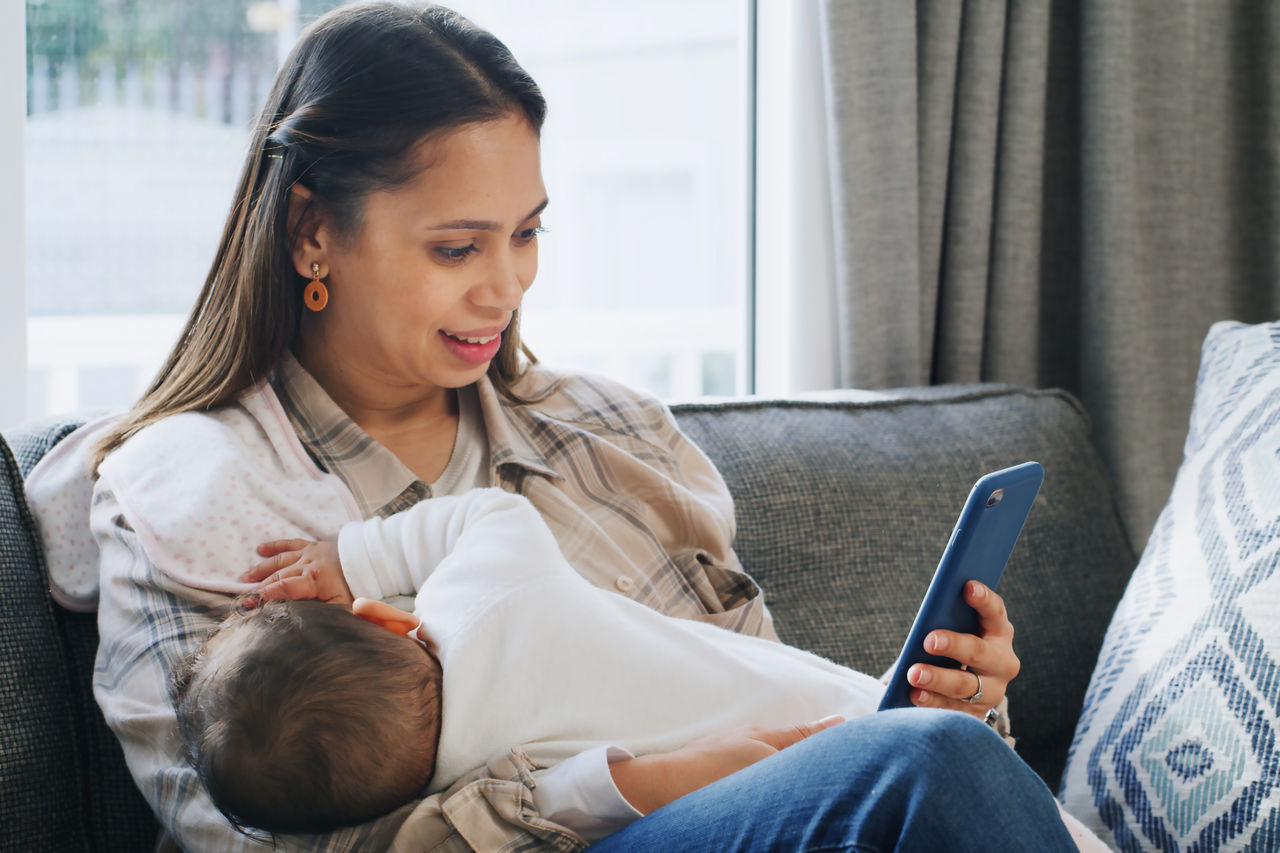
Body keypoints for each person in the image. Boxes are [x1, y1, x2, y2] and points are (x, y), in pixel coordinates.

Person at [84, 2, 1072, 850]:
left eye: (526, 234)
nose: (505, 285)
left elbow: (773, 709)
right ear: (311, 229)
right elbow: (261, 839)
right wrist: (620, 784)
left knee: (931, 755)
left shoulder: (613, 441)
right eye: (457, 245)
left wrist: (951, 702)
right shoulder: (194, 503)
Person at [174, 488, 1099, 848]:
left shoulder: (506, 784)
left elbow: (648, 781)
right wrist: (358, 556)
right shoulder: (479, 594)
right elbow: (488, 512)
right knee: (931, 757)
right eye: (457, 243)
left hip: (856, 747)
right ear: (390, 622)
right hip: (859, 734)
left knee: (938, 756)